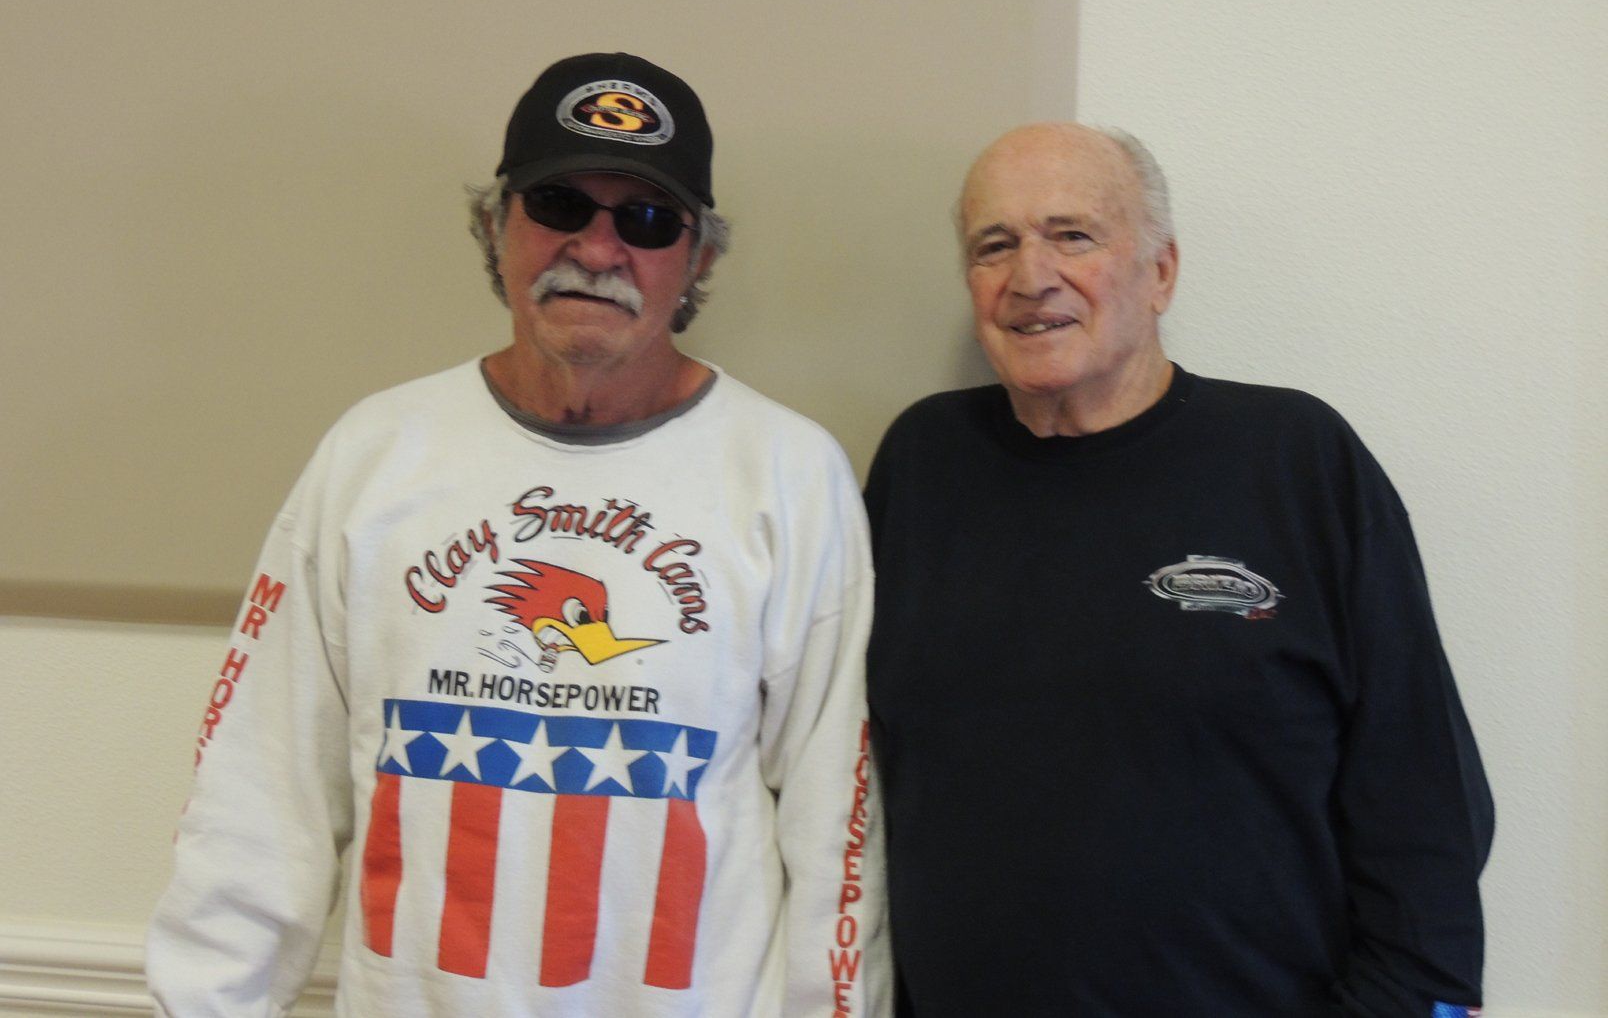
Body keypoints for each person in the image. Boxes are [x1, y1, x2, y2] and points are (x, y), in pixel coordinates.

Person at [148, 52, 886, 1017]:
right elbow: (261, 793)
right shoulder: (374, 455)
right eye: (560, 205)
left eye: (648, 220)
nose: (599, 248)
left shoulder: (789, 477)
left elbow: (838, 830)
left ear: (699, 258)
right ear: (498, 227)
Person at [864, 123, 1493, 1017]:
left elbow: (1426, 804)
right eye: (993, 245)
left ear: (1161, 272)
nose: (1030, 276)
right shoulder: (924, 464)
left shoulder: (1297, 462)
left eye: (1072, 235)